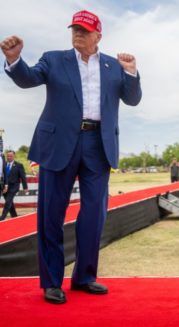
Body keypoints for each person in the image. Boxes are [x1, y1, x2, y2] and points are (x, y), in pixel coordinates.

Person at [1, 10, 142, 304]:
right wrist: (14, 60)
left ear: (98, 36)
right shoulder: (54, 59)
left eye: (84, 30)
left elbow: (132, 99)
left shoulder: (114, 66)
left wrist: (130, 72)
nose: (78, 33)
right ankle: (52, 281)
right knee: (51, 214)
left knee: (94, 215)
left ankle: (85, 277)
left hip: (98, 144)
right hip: (58, 144)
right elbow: (28, 79)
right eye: (75, 29)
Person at [1, 150, 28, 220]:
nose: (9, 157)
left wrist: (25, 187)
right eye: (8, 156)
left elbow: (23, 177)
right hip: (4, 187)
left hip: (14, 187)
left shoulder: (19, 165)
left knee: (8, 202)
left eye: (10, 156)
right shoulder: (3, 164)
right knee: (10, 203)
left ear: (14, 156)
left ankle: (2, 218)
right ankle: (15, 217)